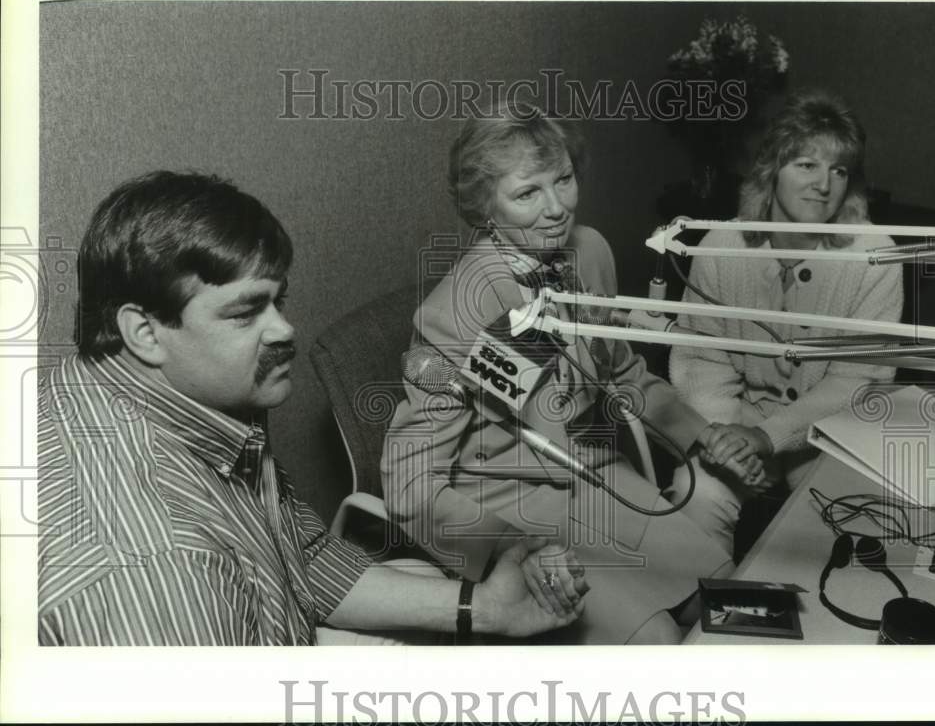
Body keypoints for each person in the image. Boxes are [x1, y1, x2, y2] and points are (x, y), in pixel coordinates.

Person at [37, 170, 586, 646]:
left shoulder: (177, 399)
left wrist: (484, 608)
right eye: (245, 312)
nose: (284, 329)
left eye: (278, 301)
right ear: (144, 332)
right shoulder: (159, 570)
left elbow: (299, 556)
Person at [382, 106, 740, 645]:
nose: (556, 208)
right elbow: (409, 483)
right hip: (510, 510)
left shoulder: (589, 251)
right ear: (484, 205)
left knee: (732, 603)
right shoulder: (454, 312)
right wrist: (506, 547)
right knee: (656, 642)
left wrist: (701, 433)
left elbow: (621, 372)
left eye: (564, 179)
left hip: (598, 478)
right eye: (527, 193)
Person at [669, 90, 904, 554]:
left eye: (839, 170)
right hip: (732, 422)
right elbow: (700, 359)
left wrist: (768, 438)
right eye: (807, 165)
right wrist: (726, 441)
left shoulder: (876, 257)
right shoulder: (720, 245)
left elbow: (856, 382)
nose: (824, 185)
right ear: (771, 169)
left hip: (828, 436)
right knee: (693, 495)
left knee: (845, 522)